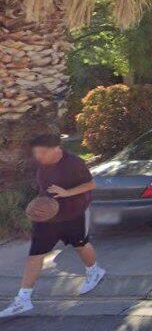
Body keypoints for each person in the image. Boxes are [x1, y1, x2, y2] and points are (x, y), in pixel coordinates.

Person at [0, 133, 106, 318]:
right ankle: (23, 299)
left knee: (81, 246)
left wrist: (67, 192)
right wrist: (37, 206)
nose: (38, 156)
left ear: (56, 149)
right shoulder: (41, 163)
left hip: (73, 215)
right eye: (36, 153)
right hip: (48, 218)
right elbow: (44, 188)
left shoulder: (74, 163)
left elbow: (91, 184)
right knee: (35, 255)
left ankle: (94, 271)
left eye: (42, 152)